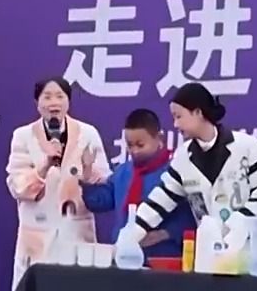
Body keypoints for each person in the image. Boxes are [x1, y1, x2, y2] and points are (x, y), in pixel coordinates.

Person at [123, 83, 257, 246]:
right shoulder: (182, 157)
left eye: (178, 116)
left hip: (248, 248)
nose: (175, 124)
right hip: (208, 250)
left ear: (198, 112)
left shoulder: (247, 146)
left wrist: (241, 222)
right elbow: (161, 199)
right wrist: (133, 231)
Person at [4, 77, 110, 291]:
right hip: (38, 235)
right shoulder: (23, 136)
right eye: (47, 97)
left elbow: (103, 181)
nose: (54, 102)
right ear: (37, 102)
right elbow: (17, 186)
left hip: (76, 233)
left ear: (68, 102)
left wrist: (87, 170)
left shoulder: (88, 133)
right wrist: (44, 166)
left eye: (60, 96)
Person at [81, 109, 195, 259]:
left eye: (140, 145)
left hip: (163, 257)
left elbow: (190, 215)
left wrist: (164, 234)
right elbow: (99, 202)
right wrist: (87, 175)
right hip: (123, 256)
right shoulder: (123, 172)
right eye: (130, 145)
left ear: (159, 138)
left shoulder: (174, 172)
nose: (134, 151)